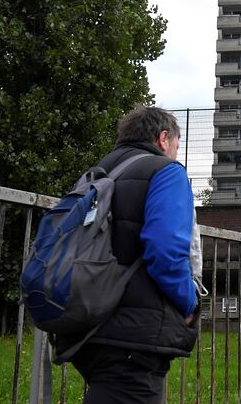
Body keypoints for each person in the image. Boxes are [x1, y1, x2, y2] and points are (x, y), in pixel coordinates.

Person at [60, 106, 198, 403]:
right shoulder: (166, 171)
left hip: (87, 321)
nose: (175, 152)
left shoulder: (95, 174)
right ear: (163, 139)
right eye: (176, 144)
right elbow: (166, 251)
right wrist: (189, 302)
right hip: (133, 333)